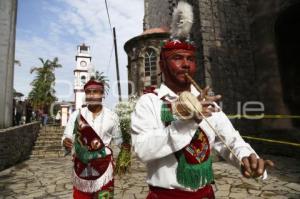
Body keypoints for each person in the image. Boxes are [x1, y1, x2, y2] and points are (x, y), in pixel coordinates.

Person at [130, 1, 273, 198]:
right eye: (178, 58)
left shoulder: (207, 103)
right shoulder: (149, 102)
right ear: (162, 65)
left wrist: (247, 158)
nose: (186, 64)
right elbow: (143, 150)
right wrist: (188, 121)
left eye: (190, 59)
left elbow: (229, 140)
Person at [62, 77, 123, 199]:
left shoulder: (112, 116)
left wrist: (122, 156)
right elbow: (67, 135)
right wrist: (65, 141)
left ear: (102, 94)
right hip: (81, 168)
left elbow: (119, 141)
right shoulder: (77, 115)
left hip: (104, 168)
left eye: (95, 92)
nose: (91, 95)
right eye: (88, 92)